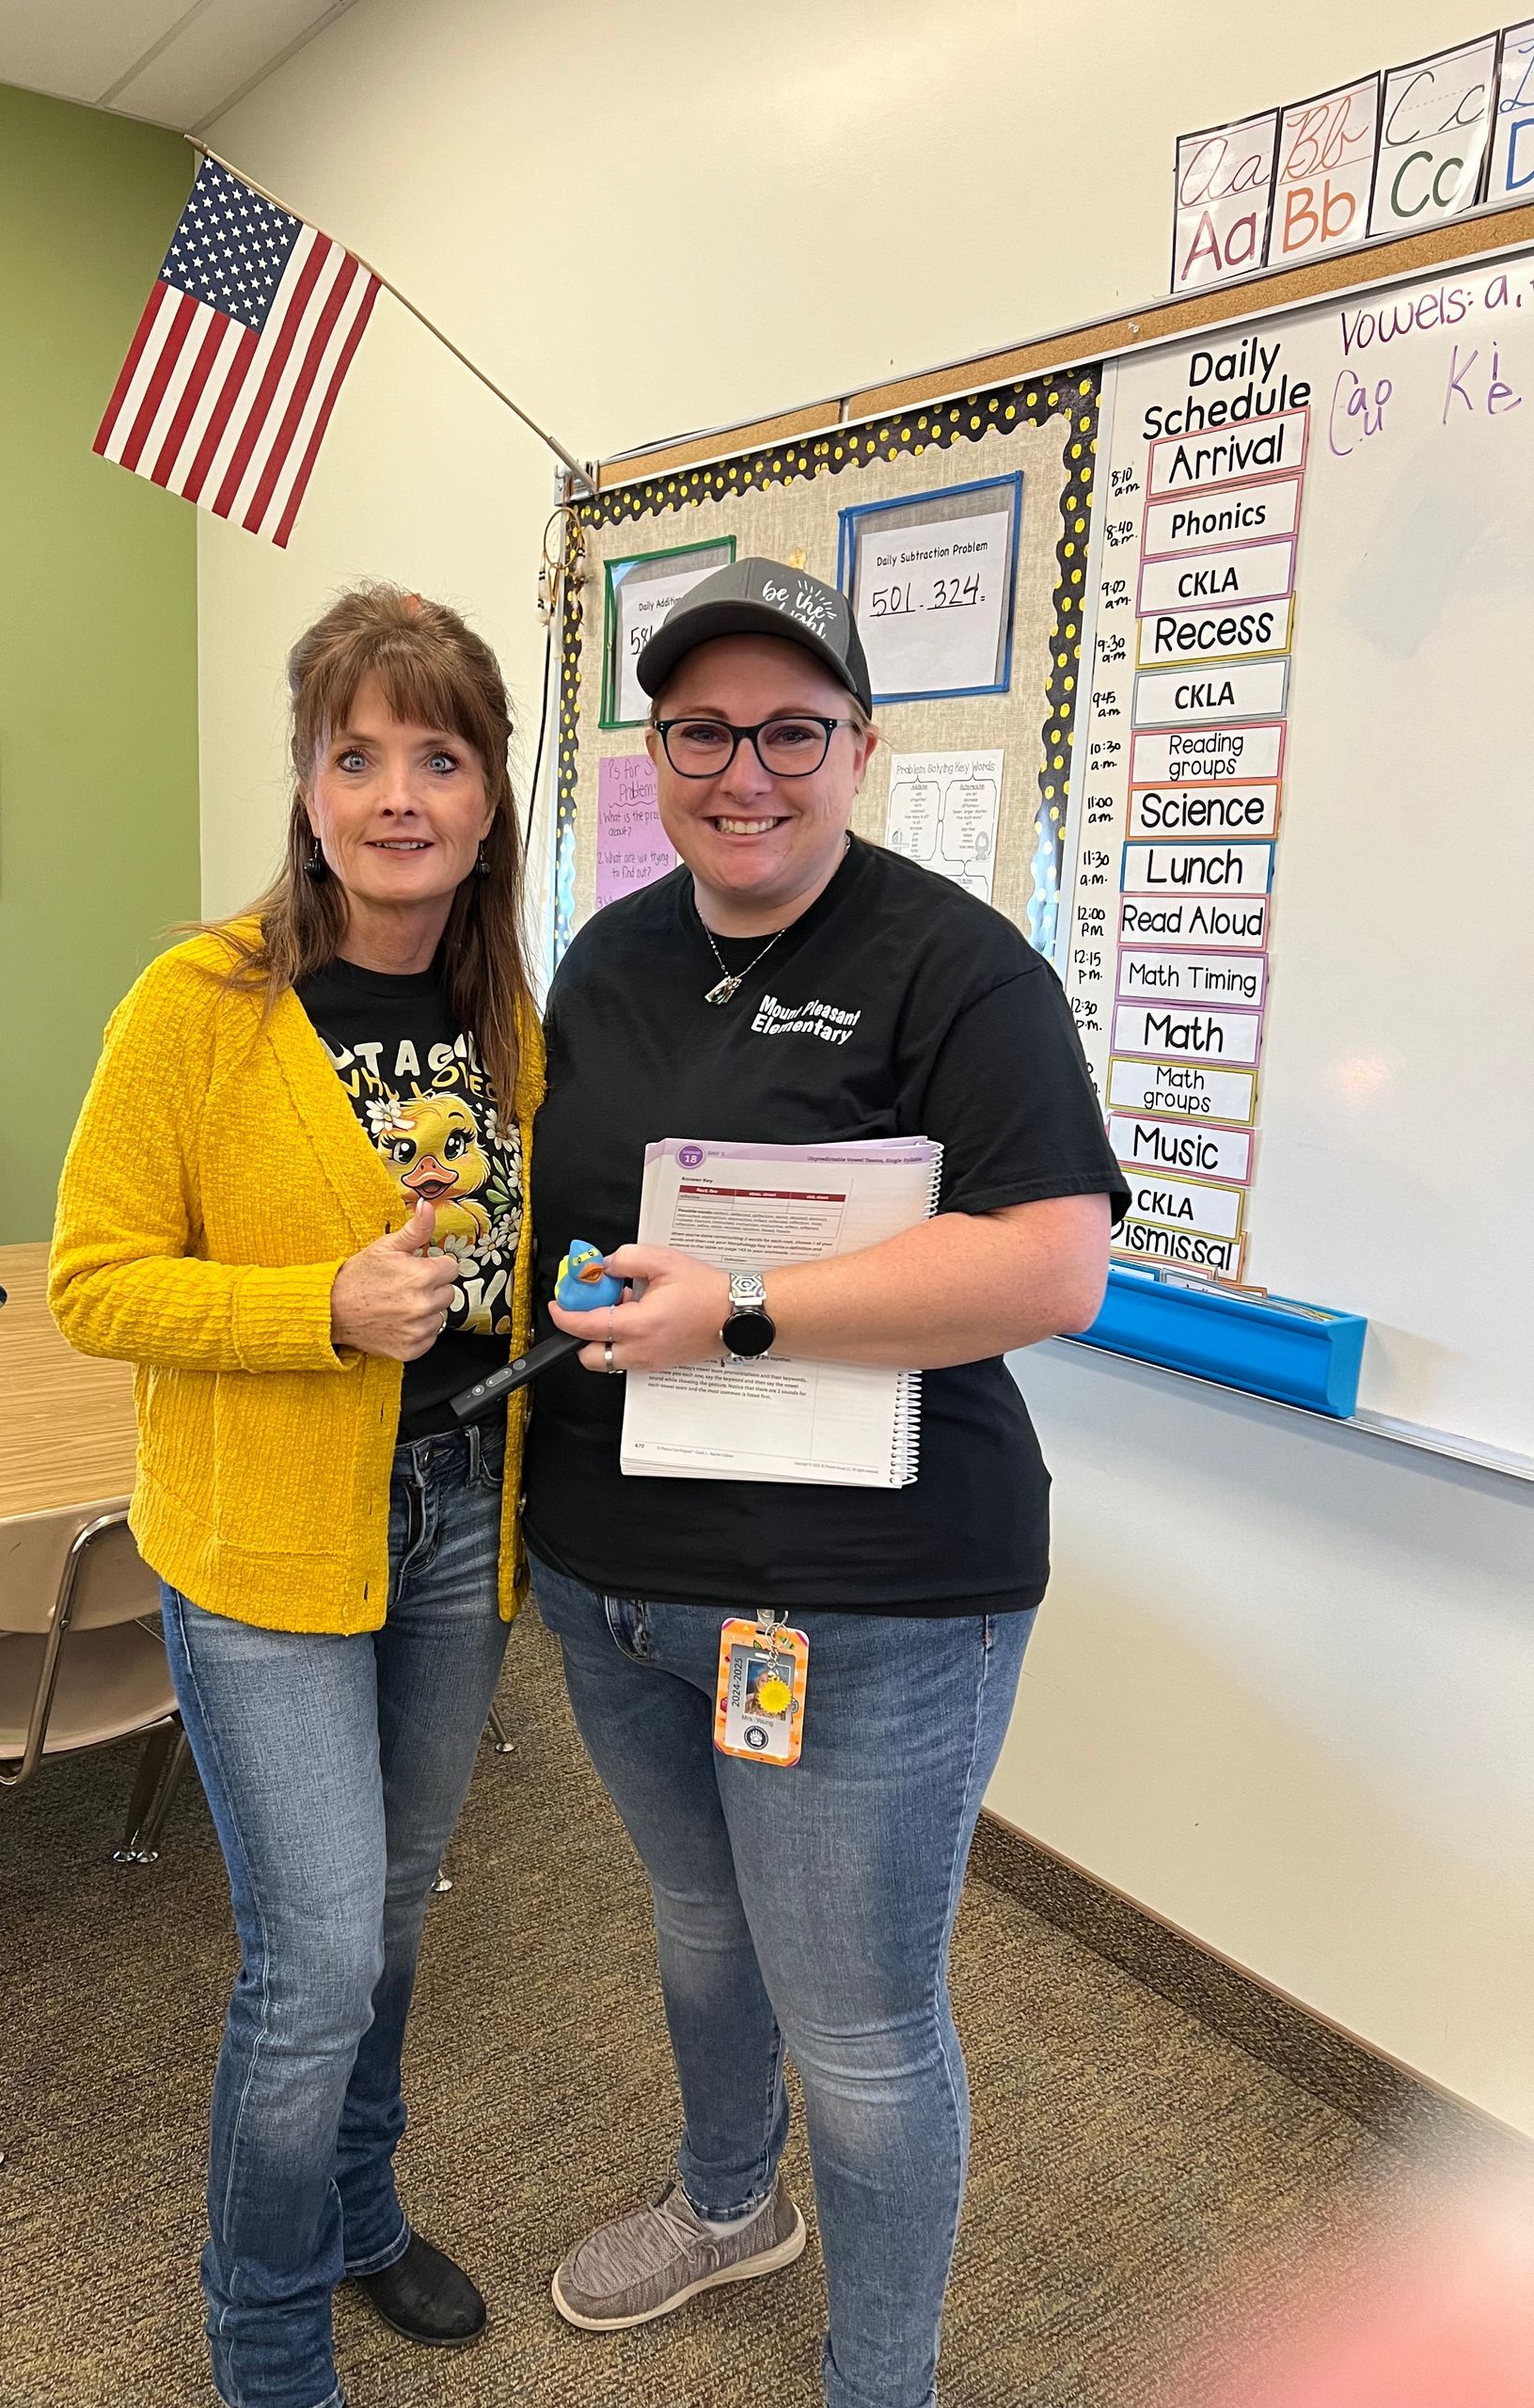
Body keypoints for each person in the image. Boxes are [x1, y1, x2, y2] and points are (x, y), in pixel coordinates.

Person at [527, 557, 1129, 2408]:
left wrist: (758, 1306)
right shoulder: (607, 953)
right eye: (703, 728)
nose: (747, 767)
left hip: (860, 1606)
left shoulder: (960, 966)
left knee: (862, 2029)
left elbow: (1050, 1262)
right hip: (616, 1576)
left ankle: (885, 2373)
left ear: (858, 745)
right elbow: (589, 1227)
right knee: (702, 1926)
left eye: (793, 727)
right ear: (657, 749)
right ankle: (729, 2204)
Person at [49, 585, 541, 2408]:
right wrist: (312, 1308)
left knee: (397, 1911)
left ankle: (356, 2206)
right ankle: (264, 2334)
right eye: (357, 754)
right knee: (316, 1951)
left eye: (439, 754)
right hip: (258, 1534)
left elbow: (499, 1253)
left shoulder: (509, 1011)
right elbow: (94, 1278)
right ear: (307, 785)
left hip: (447, 1523)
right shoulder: (202, 1003)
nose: (397, 793)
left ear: (493, 795)